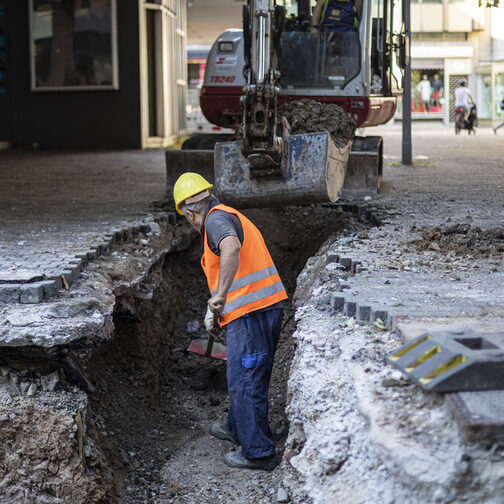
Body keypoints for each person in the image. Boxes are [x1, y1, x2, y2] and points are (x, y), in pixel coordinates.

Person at [173, 172, 288, 471]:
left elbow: (231, 247)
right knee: (244, 377)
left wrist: (220, 296)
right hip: (257, 310)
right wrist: (219, 308)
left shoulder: (214, 221)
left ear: (190, 213)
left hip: (252, 313)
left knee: (245, 381)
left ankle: (259, 452)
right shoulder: (224, 213)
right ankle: (238, 430)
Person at [311, 0, 362, 80]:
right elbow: (318, 6)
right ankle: (314, 77)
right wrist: (314, 28)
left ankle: (352, 77)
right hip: (327, 31)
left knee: (351, 41)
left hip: (347, 32)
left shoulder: (355, 2)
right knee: (311, 46)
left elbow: (360, 11)